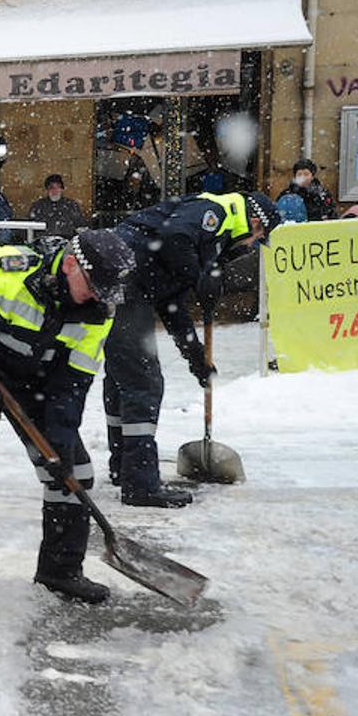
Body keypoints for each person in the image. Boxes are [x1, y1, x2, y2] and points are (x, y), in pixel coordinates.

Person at [0, 229, 136, 622]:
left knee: (72, 472)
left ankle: (60, 571)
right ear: (71, 264)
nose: (97, 297)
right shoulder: (7, 269)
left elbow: (73, 382)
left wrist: (60, 440)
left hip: (37, 386)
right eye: (92, 286)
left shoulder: (98, 311)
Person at [103, 191, 282, 508]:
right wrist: (199, 278)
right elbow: (173, 237)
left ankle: (124, 467)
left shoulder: (205, 243)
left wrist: (195, 356)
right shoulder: (216, 213)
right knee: (142, 381)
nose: (252, 244)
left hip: (123, 280)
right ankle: (140, 484)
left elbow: (171, 304)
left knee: (124, 377)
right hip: (125, 281)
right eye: (258, 237)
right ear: (256, 222)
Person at [27, 173, 87, 240]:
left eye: (58, 187)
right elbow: (30, 227)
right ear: (47, 190)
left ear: (62, 189)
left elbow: (80, 227)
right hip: (43, 242)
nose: (55, 190)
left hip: (67, 242)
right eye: (51, 187)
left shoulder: (71, 206)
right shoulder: (38, 206)